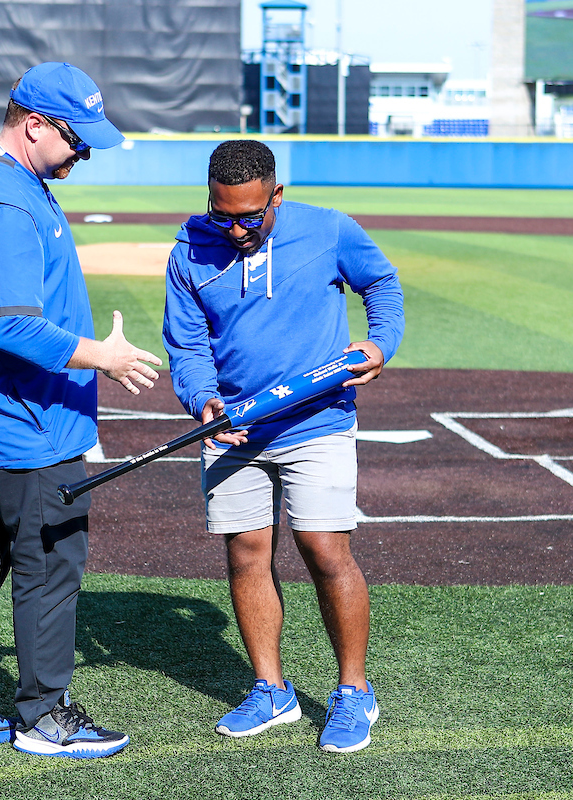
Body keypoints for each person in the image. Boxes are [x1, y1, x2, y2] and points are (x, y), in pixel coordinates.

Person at [0, 61, 161, 758]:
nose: (84, 153)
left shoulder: (2, 179)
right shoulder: (1, 201)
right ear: (34, 125)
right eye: (77, 140)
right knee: (49, 568)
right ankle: (44, 718)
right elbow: (13, 328)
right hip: (21, 424)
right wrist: (101, 356)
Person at [162, 140, 404, 754]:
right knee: (246, 553)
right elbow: (188, 347)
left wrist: (381, 345)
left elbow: (382, 284)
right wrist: (205, 404)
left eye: (250, 215)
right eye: (224, 215)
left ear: (276, 194)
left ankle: (354, 691)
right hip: (233, 427)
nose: (237, 228)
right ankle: (271, 689)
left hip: (317, 418)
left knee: (324, 549)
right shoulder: (189, 250)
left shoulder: (329, 231)